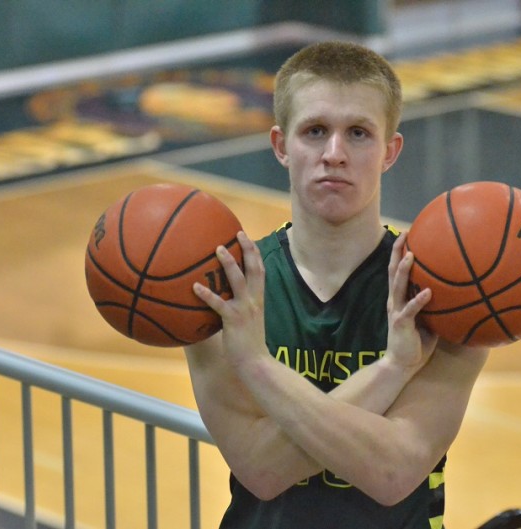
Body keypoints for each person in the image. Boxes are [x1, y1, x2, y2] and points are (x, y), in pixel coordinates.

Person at [185, 40, 489, 529]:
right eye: (315, 131)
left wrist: (256, 365)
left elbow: (392, 471)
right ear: (282, 145)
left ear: (390, 151)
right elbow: (261, 470)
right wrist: (392, 370)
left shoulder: (446, 291)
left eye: (359, 133)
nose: (335, 153)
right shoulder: (225, 287)